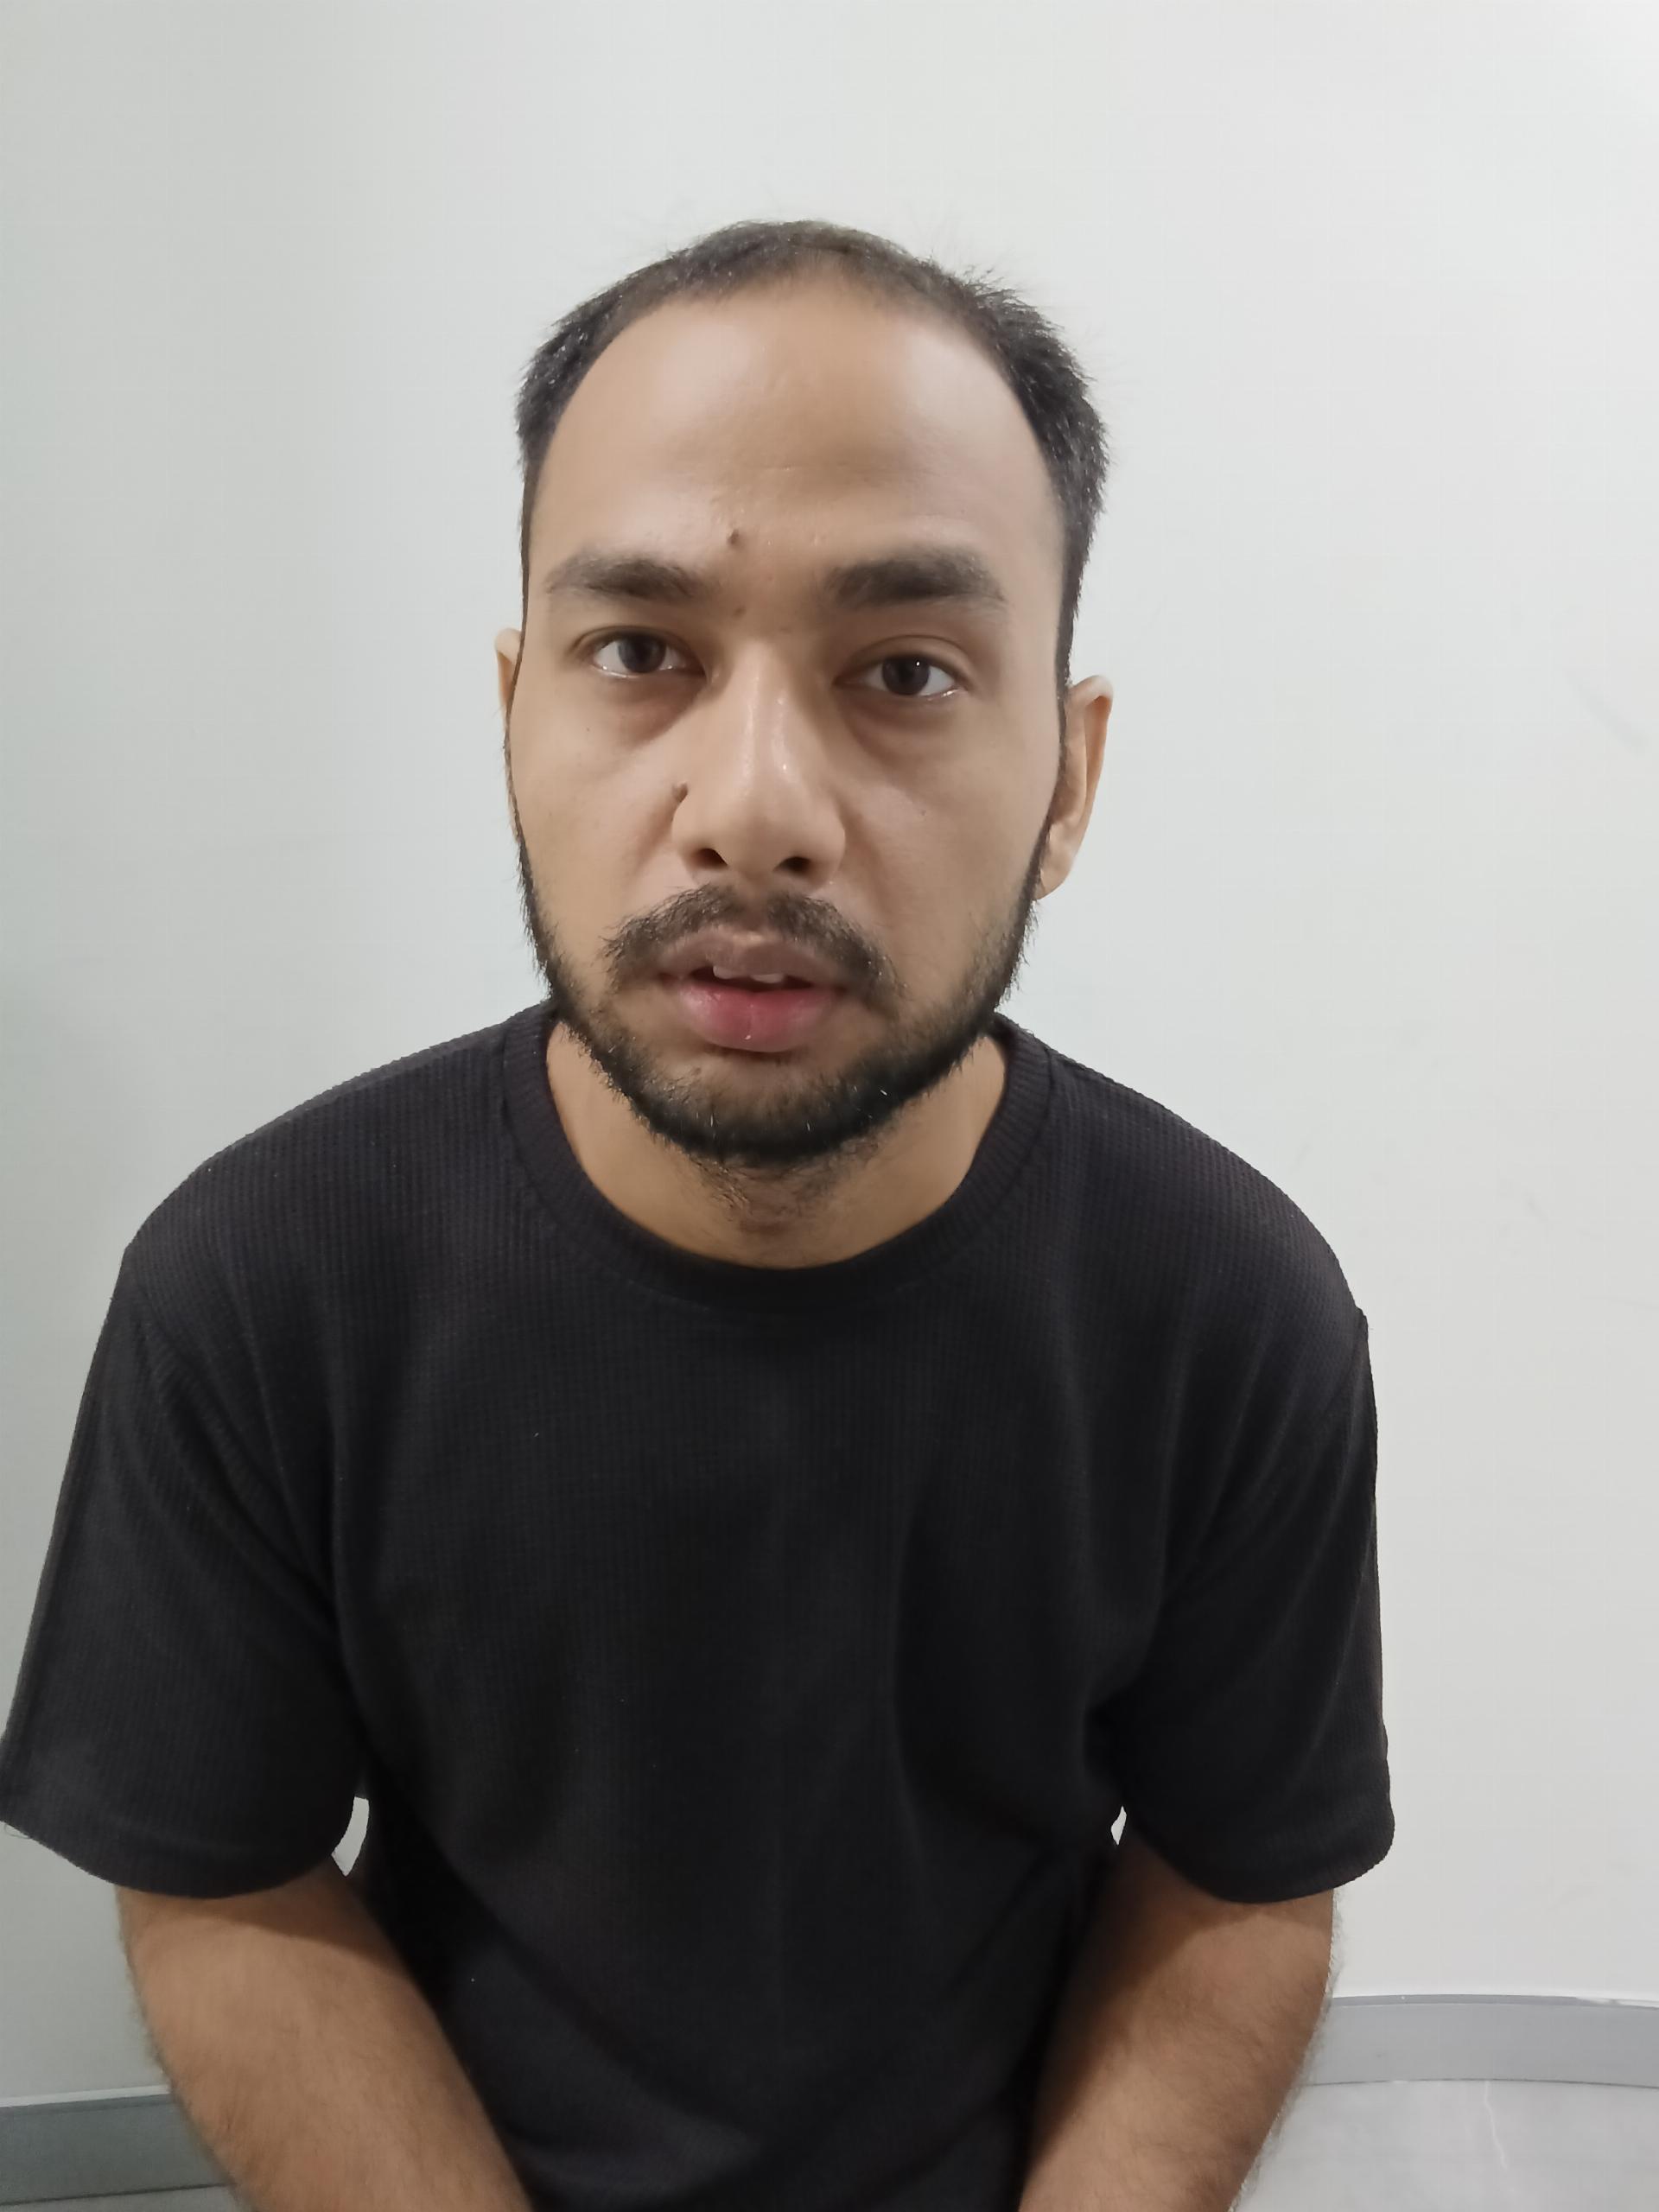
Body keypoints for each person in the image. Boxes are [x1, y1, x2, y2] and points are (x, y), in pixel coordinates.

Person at [0, 217, 1392, 2212]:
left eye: (905, 670)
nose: (755, 808)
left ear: (1067, 779)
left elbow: (1236, 1878)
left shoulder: (1230, 1313)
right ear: (515, 714)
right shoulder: (261, 1289)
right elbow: (227, 1876)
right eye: (641, 653)